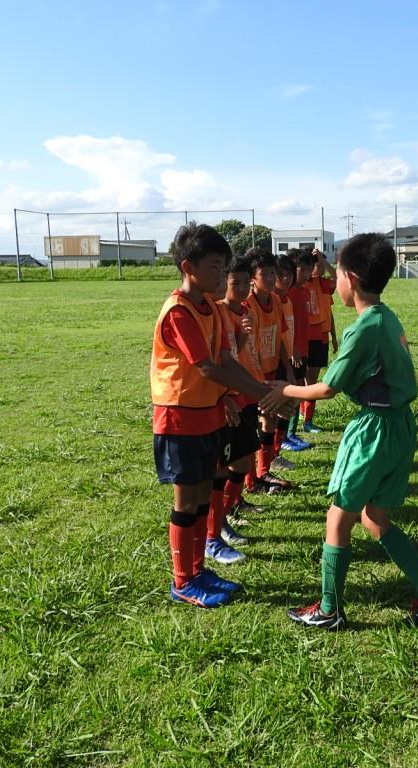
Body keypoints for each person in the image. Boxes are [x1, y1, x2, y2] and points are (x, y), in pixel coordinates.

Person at [262, 233, 418, 629]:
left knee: (339, 517)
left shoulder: (363, 328)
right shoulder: (387, 315)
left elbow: (328, 387)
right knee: (375, 517)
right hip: (401, 425)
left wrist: (285, 390)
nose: (334, 284)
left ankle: (330, 610)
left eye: (336, 276)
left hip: (375, 429)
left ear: (349, 277)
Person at [150, 222, 282, 608]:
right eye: (214, 266)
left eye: (224, 266)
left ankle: (197, 569)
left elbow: (226, 360)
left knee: (205, 496)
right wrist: (264, 392)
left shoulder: (210, 309)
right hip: (179, 419)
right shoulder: (179, 312)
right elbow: (206, 367)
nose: (222, 274)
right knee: (186, 502)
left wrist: (247, 392)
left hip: (207, 414)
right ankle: (182, 580)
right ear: (188, 267)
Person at [210, 254, 266, 563]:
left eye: (246, 282)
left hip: (245, 393)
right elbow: (218, 363)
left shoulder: (243, 311)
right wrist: (225, 395)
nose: (243, 288)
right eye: (236, 283)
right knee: (224, 468)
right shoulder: (218, 313)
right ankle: (217, 528)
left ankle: (227, 513)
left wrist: (244, 337)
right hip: (229, 397)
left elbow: (239, 354)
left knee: (242, 464)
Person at [244, 249, 294, 493]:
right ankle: (251, 479)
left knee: (270, 418)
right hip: (252, 377)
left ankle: (264, 470)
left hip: (273, 371)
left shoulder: (274, 300)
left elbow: (281, 337)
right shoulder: (247, 304)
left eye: (273, 272)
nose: (271, 278)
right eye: (265, 273)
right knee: (253, 425)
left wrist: (289, 371)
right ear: (252, 277)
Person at [280, 250, 313, 452]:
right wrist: (292, 349)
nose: (306, 273)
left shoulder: (298, 294)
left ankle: (289, 433)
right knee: (290, 392)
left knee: (296, 390)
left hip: (300, 349)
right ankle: (284, 436)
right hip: (290, 352)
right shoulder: (284, 295)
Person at [302, 249, 336, 433]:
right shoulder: (297, 284)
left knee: (311, 381)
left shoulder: (320, 283)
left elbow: (337, 279)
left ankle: (306, 419)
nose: (321, 266)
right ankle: (304, 419)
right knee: (305, 381)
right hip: (304, 337)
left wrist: (325, 261)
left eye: (321, 263)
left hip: (320, 336)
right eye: (317, 263)